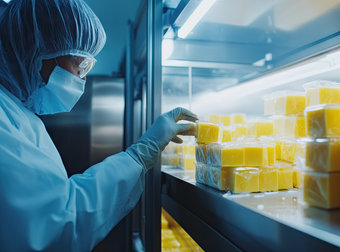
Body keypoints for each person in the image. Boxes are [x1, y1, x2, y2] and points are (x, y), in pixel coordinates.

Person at [0, 0, 197, 251]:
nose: (82, 78)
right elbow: (57, 226)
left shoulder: (16, 113)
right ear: (39, 54)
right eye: (80, 65)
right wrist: (139, 156)